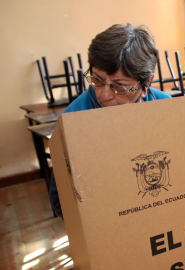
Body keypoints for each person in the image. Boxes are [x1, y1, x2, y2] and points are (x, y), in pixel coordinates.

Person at [50, 24, 171, 218]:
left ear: (146, 83)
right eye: (97, 80)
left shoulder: (167, 109)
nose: (104, 95)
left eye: (119, 87)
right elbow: (60, 202)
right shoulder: (73, 122)